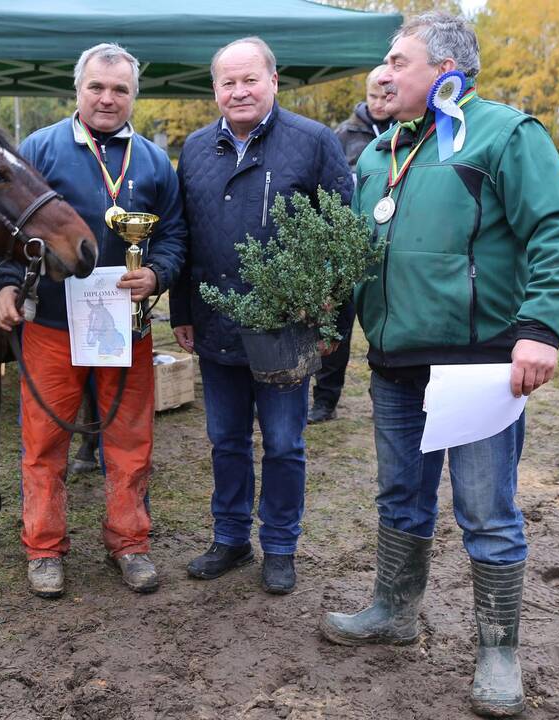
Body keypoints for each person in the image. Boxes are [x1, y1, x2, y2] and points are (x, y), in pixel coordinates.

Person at [317, 12, 559, 717]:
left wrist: (540, 330)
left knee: (485, 511)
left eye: (396, 60)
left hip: (478, 368)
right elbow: (360, 253)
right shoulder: (382, 150)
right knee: (399, 496)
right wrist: (331, 324)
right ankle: (393, 608)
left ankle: (499, 649)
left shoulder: (504, 133)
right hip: (395, 362)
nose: (382, 72)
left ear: (444, 69)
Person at [0, 43, 186, 598]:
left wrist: (158, 274)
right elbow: (0, 225)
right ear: (78, 91)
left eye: (120, 89)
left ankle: (130, 543)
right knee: (43, 442)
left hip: (128, 328)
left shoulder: (151, 161)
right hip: (51, 324)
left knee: (130, 441)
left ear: (133, 97)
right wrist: (3, 283)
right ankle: (44, 549)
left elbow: (172, 235)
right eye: (97, 87)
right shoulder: (39, 149)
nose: (107, 98)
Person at [170, 37, 353, 595]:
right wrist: (183, 309)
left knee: (283, 443)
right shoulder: (196, 149)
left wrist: (328, 321)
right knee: (225, 440)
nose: (239, 91)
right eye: (228, 82)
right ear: (215, 90)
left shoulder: (312, 143)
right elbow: (186, 236)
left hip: (286, 332)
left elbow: (343, 239)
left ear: (274, 81)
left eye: (250, 79)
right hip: (216, 322)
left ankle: (279, 544)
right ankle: (229, 538)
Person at [308, 66, 394, 425]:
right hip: (345, 246)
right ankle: (325, 399)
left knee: (386, 325)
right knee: (335, 327)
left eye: (385, 97)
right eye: (372, 96)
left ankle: (387, 397)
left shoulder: (412, 131)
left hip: (390, 245)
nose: (378, 103)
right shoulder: (342, 135)